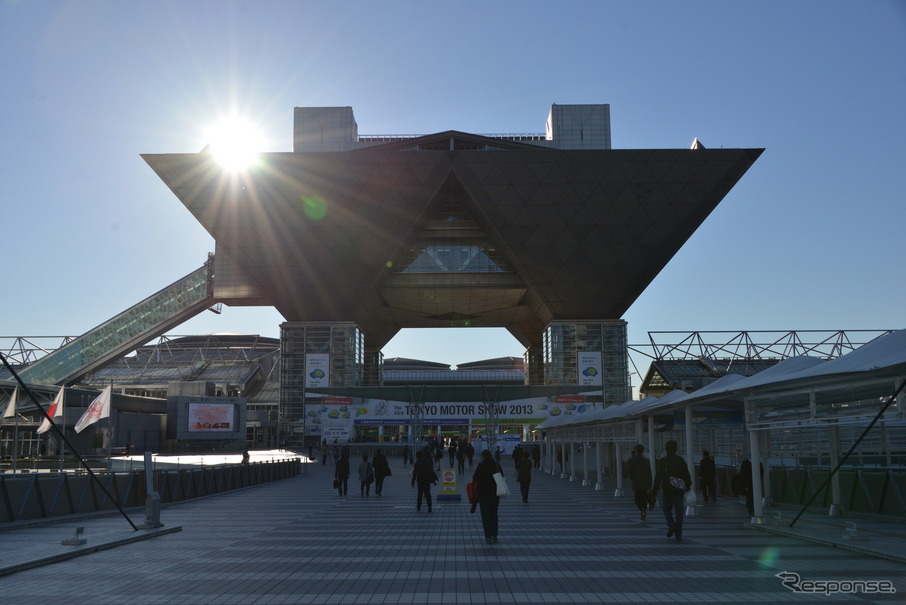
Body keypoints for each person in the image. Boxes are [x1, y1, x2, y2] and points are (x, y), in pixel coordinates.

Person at [651, 440, 692, 541]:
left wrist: (655, 490)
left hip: (667, 491)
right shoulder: (681, 460)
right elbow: (687, 475)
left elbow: (658, 477)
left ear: (666, 449)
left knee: (666, 509)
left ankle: (671, 524)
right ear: (676, 449)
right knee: (679, 512)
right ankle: (678, 534)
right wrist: (688, 487)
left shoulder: (662, 461)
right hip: (679, 491)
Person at [473, 449, 502, 543]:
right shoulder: (496, 465)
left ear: (483, 456)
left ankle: (488, 536)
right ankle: (495, 535)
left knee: (485, 515)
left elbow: (474, 477)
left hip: (483, 494)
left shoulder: (481, 465)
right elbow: (501, 476)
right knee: (494, 514)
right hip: (495, 493)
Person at [627, 444, 652, 520]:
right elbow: (649, 472)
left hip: (636, 482)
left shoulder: (631, 460)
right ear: (643, 451)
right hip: (645, 482)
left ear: (636, 451)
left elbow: (630, 471)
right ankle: (644, 510)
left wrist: (632, 478)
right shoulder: (646, 461)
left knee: (637, 499)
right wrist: (650, 483)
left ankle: (642, 509)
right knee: (644, 498)